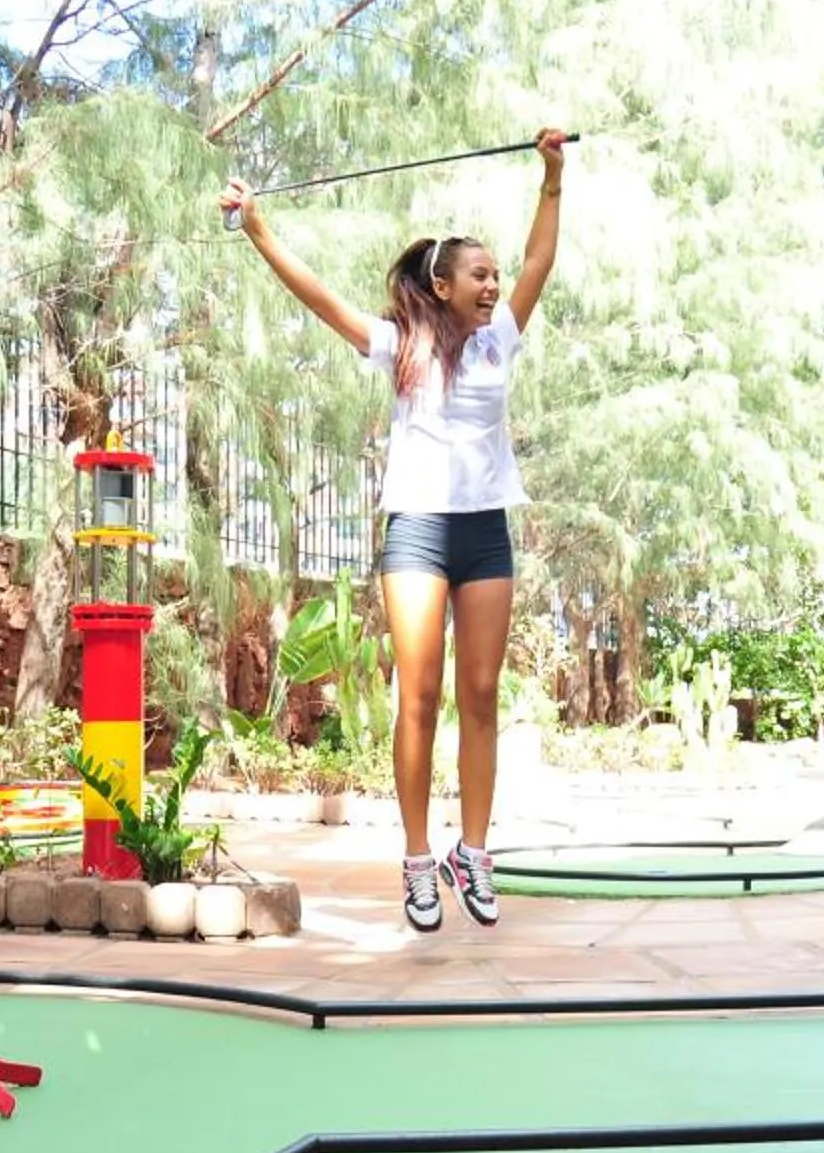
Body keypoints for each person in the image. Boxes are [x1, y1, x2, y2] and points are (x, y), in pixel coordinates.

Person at [222, 129, 569, 932]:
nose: (493, 286)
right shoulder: (401, 345)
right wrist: (260, 227)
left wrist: (552, 175)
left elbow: (540, 261)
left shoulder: (500, 341)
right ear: (441, 283)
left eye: (493, 276)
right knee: (418, 697)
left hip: (484, 530)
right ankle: (418, 860)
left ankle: (471, 855)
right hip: (416, 530)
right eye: (479, 276)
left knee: (479, 696)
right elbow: (319, 299)